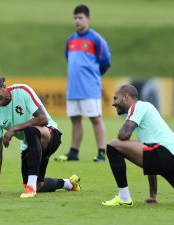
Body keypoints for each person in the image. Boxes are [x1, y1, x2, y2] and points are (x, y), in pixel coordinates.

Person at [0, 71, 81, 198]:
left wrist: (13, 129)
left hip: (49, 135)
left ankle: (31, 188)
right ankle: (68, 183)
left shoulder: (22, 91)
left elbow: (43, 119)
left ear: (4, 87)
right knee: (39, 185)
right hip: (29, 145)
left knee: (30, 130)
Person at [102, 84, 174, 206]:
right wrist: (153, 195)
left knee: (113, 145)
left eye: (115, 98)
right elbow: (150, 157)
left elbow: (123, 136)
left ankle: (124, 198)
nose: (113, 103)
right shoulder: (144, 110)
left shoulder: (138, 106)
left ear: (125, 97)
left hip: (166, 154)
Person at [56, 4, 111, 162]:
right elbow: (69, 59)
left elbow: (105, 61)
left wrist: (93, 76)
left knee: (95, 118)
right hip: (73, 88)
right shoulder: (70, 40)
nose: (77, 21)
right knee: (75, 119)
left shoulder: (96, 39)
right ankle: (74, 152)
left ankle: (101, 152)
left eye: (80, 17)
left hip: (89, 88)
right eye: (75, 18)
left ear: (88, 19)